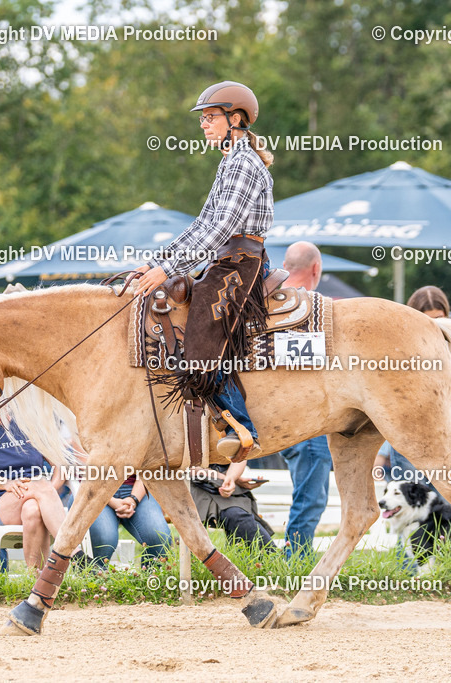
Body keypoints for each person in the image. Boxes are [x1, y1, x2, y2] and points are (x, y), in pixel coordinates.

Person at [132, 80, 274, 461]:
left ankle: (240, 427)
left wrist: (167, 268)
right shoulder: (230, 161)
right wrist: (158, 261)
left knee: (201, 331)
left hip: (240, 264)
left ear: (237, 119)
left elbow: (219, 228)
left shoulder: (243, 162)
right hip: (226, 260)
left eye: (211, 117)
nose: (204, 125)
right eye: (203, 119)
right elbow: (200, 225)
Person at [272, 242, 332, 556]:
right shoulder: (308, 307)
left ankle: (294, 557)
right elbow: (307, 366)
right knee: (311, 496)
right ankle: (294, 559)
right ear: (316, 269)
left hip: (277, 415)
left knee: (307, 493)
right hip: (309, 416)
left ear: (285, 265)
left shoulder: (272, 302)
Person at [0, 412, 75, 570]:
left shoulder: (27, 425)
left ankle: (36, 581)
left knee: (32, 510)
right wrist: (4, 483)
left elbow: (60, 463)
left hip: (36, 498)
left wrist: (48, 491)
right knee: (39, 486)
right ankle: (74, 553)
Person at [382, 287, 451, 492]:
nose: (435, 326)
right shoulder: (397, 349)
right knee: (412, 498)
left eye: (439, 318)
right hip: (408, 433)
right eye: (427, 320)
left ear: (447, 315)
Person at [88, 473, 173, 568]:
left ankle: (152, 579)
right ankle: (94, 577)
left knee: (159, 536)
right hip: (95, 490)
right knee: (104, 539)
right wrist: (111, 501)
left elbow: (149, 468)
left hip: (139, 488)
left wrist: (134, 499)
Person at [191, 462, 273, 548]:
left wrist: (232, 477)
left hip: (224, 484)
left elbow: (239, 458)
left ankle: (271, 558)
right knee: (192, 531)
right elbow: (185, 467)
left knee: (237, 515)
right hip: (191, 484)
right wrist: (223, 477)